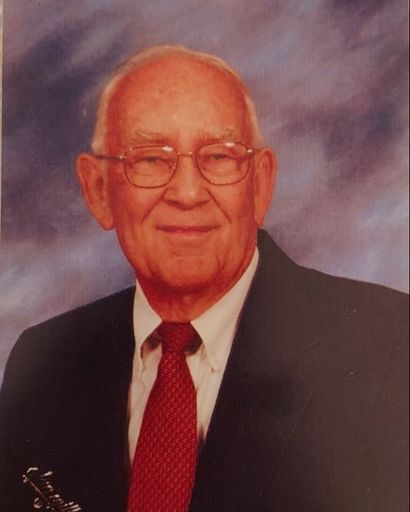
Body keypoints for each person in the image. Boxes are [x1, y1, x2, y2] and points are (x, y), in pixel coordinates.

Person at [0, 45, 408, 512]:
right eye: (150, 159)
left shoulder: (392, 349)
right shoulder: (43, 363)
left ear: (261, 184)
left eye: (219, 156)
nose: (188, 192)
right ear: (98, 191)